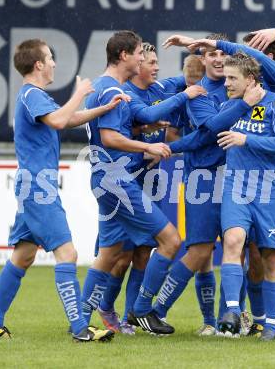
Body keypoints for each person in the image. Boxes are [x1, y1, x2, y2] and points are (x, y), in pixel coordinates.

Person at [189, 29, 275, 341]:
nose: (260, 60)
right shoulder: (236, 100)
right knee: (250, 252)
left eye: (264, 54)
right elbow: (210, 128)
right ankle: (253, 319)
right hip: (248, 185)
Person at [0, 38, 126, 342]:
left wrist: (102, 108)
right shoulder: (32, 94)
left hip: (34, 185)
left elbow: (68, 119)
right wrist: (79, 93)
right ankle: (80, 329)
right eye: (50, 58)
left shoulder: (35, 97)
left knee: (22, 257)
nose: (54, 63)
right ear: (38, 64)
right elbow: (61, 120)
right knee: (68, 253)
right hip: (37, 187)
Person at [80, 31, 204, 335]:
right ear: (125, 56)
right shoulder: (111, 90)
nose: (144, 60)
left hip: (110, 178)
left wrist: (199, 51)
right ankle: (140, 311)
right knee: (170, 241)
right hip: (117, 179)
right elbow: (109, 137)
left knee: (110, 254)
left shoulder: (113, 87)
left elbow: (145, 113)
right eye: (139, 54)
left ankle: (80, 318)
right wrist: (147, 146)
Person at [157, 33, 252, 336]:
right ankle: (156, 311)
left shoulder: (241, 86)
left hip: (238, 177)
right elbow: (210, 131)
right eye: (211, 55)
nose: (218, 59)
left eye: (221, 53)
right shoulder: (199, 91)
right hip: (204, 177)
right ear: (203, 58)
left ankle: (229, 320)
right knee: (199, 251)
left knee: (237, 249)